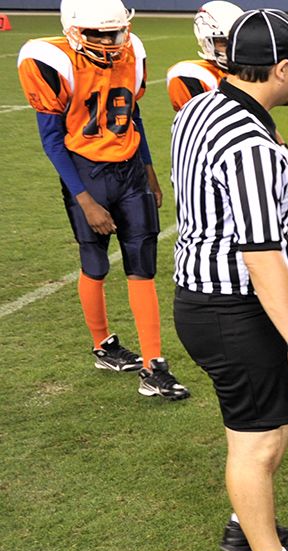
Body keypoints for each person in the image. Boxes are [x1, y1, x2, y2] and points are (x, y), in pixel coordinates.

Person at [169, 8, 288, 551]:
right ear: (280, 68)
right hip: (229, 306)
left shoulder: (201, 106)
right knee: (258, 437)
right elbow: (262, 255)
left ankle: (252, 520)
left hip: (204, 294)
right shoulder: (251, 143)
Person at [17, 0, 188, 401]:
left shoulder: (132, 54)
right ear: (75, 29)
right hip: (87, 173)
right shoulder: (51, 61)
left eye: (115, 32)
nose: (111, 41)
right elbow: (52, 140)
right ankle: (103, 346)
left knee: (142, 266)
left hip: (129, 171)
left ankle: (153, 366)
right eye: (100, 34)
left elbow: (134, 114)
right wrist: (85, 200)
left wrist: (149, 170)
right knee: (94, 263)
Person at [168, 1, 288, 293]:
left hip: (200, 294)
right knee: (261, 246)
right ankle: (284, 308)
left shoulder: (243, 80)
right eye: (223, 41)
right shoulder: (195, 78)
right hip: (228, 182)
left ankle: (286, 301)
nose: (230, 48)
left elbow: (264, 124)